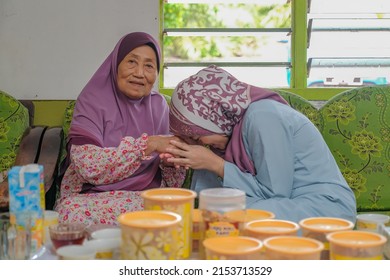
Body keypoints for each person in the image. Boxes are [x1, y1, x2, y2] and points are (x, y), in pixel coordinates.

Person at [164, 65, 357, 224]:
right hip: (285, 203)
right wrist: (190, 160)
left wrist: (216, 164)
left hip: (322, 206)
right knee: (217, 211)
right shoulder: (231, 131)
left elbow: (275, 194)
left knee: (229, 217)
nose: (203, 144)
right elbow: (208, 196)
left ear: (215, 117)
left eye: (198, 138)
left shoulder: (263, 116)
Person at [55, 32, 186, 225]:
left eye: (149, 65)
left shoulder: (159, 106)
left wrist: (170, 162)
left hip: (145, 197)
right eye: (132, 62)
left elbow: (174, 182)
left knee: (179, 214)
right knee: (69, 214)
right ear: (115, 64)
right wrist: (149, 144)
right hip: (91, 198)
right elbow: (87, 166)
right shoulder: (91, 102)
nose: (140, 73)